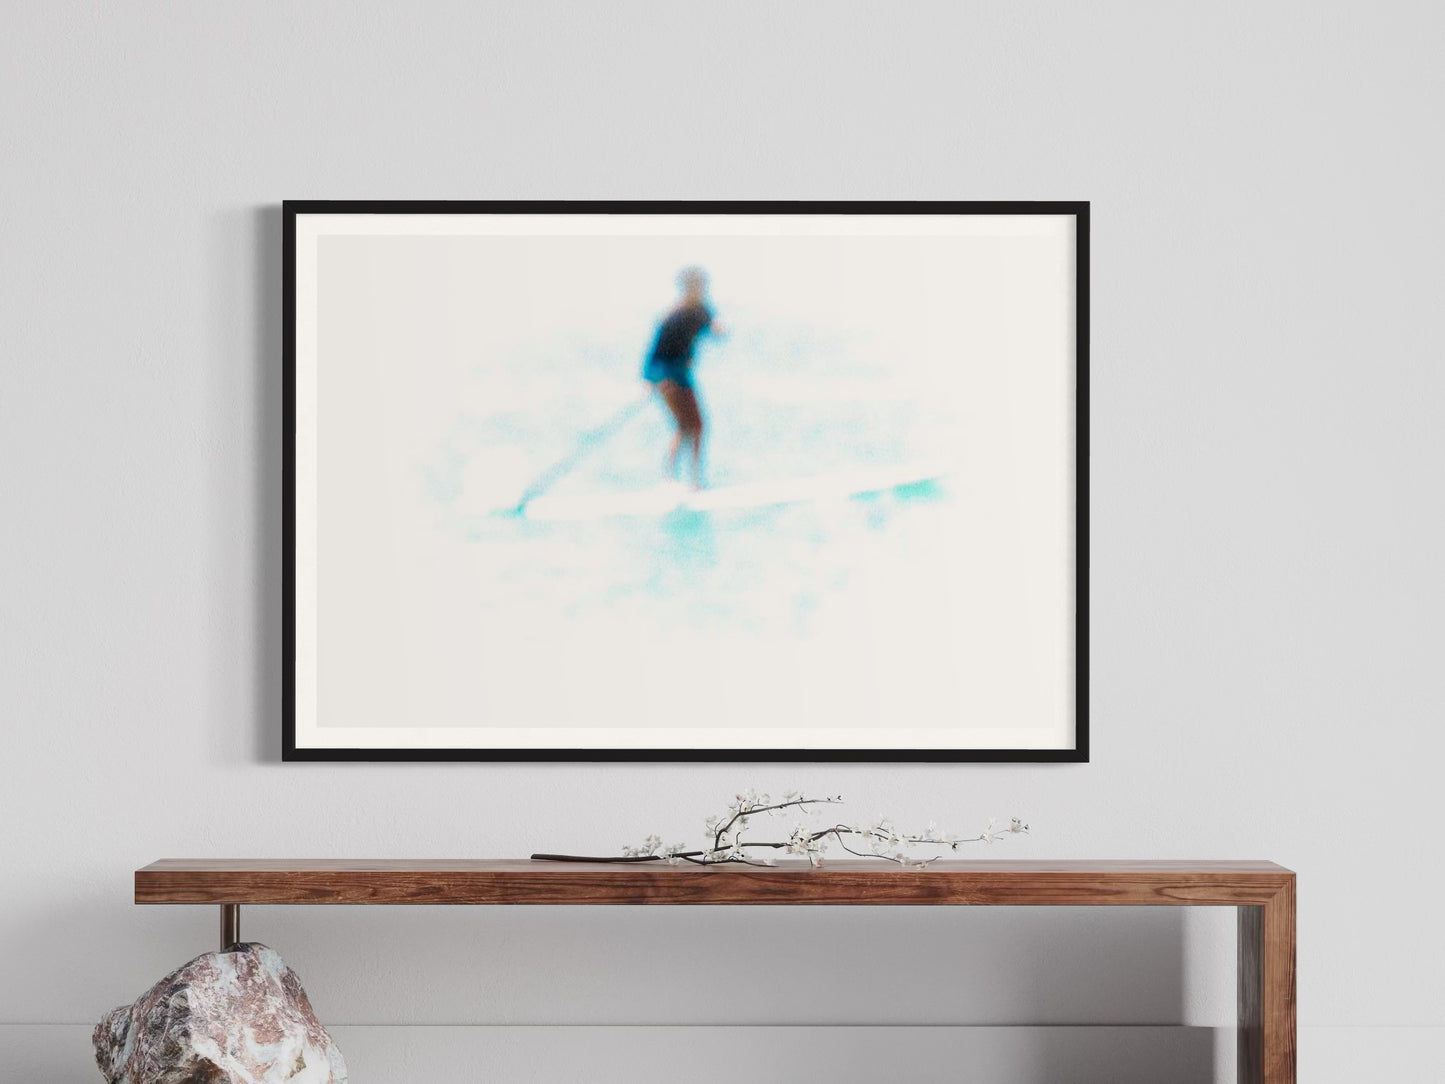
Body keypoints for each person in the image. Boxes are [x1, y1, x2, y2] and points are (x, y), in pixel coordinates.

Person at [642, 267, 723, 488]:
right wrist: (651, 380)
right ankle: (671, 478)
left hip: (683, 376)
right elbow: (654, 353)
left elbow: (713, 328)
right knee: (684, 425)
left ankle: (694, 480)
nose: (699, 290)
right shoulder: (674, 316)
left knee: (697, 425)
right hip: (667, 376)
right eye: (695, 286)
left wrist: (718, 330)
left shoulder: (702, 311)